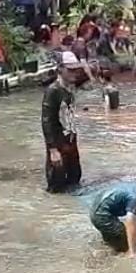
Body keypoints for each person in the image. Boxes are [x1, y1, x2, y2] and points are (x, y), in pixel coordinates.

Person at [42, 57, 82, 193]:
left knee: (75, 179)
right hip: (58, 143)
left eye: (75, 70)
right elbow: (46, 121)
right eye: (70, 70)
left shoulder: (70, 87)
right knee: (56, 185)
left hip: (71, 139)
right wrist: (52, 150)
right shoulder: (52, 91)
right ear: (60, 69)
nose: (74, 73)